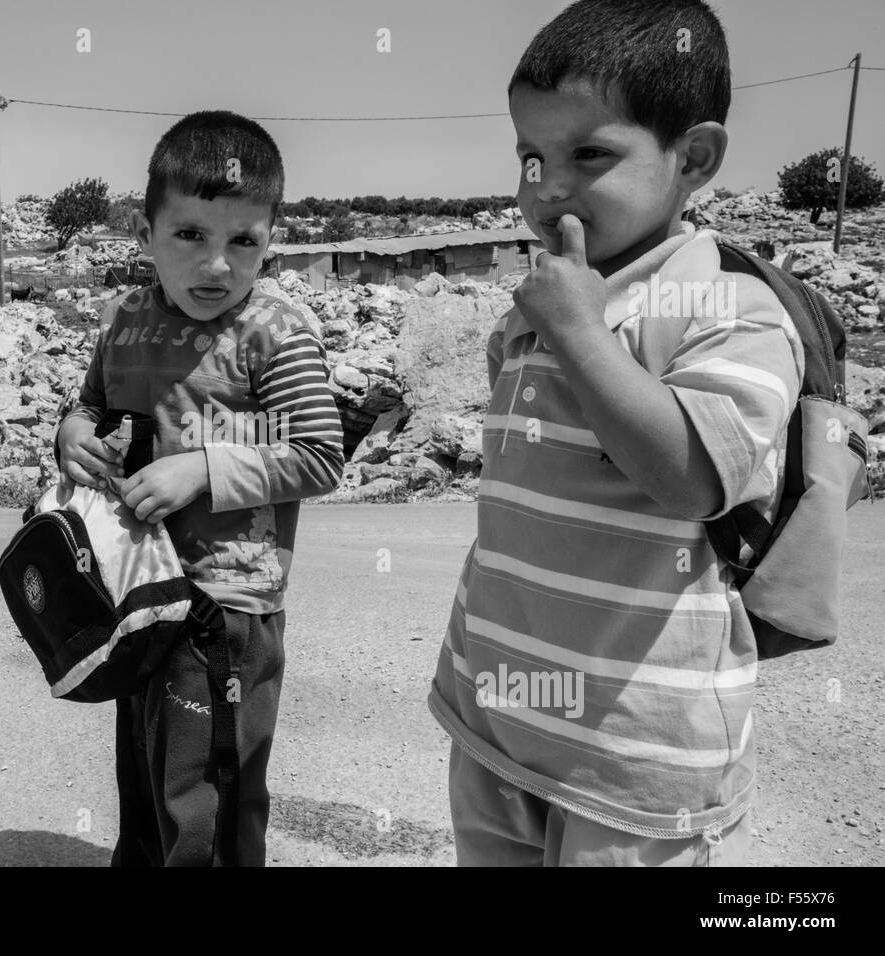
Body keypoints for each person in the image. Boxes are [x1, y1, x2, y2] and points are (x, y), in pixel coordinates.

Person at [427, 0, 803, 865]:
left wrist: (581, 334)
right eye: (531, 156)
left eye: (589, 154)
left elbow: (692, 480)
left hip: (637, 762)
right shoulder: (546, 306)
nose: (547, 186)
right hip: (497, 724)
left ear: (695, 157)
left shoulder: (729, 307)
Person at [57, 110, 344, 865]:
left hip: (225, 608)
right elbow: (93, 406)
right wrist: (72, 433)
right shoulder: (123, 318)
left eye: (242, 241)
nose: (217, 265)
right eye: (190, 235)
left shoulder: (275, 330)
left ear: (270, 239)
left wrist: (203, 467)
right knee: (149, 784)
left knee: (209, 799)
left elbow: (318, 454)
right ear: (146, 232)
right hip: (135, 593)